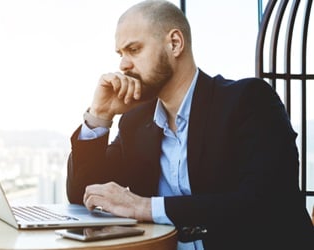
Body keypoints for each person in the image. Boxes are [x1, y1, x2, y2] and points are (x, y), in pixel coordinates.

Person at [65, 0, 314, 249]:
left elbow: (262, 202)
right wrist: (100, 114)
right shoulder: (136, 122)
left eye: (134, 49)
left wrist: (143, 207)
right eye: (121, 54)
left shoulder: (248, 101)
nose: (123, 65)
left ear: (174, 43)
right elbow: (84, 195)